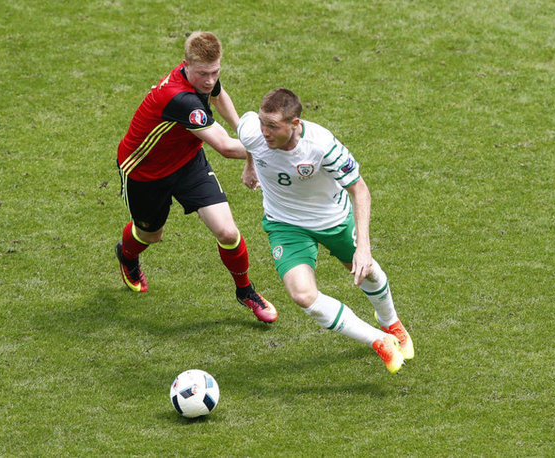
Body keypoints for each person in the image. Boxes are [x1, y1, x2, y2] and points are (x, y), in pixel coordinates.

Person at [237, 88, 414, 372]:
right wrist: (249, 166)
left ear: (295, 124)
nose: (264, 131)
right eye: (262, 122)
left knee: (366, 271)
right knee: (302, 295)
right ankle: (379, 341)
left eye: (272, 126)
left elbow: (360, 190)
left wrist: (364, 248)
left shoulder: (321, 145)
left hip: (332, 220)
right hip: (285, 225)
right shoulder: (253, 132)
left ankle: (390, 322)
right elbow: (248, 139)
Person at [115, 32, 277, 323]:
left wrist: (246, 133)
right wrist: (276, 149)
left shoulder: (203, 79)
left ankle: (246, 291)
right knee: (151, 235)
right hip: (145, 172)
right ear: (186, 65)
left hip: (188, 162)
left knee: (227, 232)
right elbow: (225, 147)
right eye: (203, 73)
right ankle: (126, 255)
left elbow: (218, 96)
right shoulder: (180, 99)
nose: (210, 80)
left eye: (215, 72)